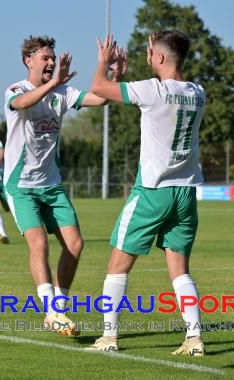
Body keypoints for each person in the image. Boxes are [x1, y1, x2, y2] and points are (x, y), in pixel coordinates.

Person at [86, 32, 207, 356]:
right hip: (185, 192)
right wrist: (123, 76)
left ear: (163, 58)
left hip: (153, 192)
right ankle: (194, 339)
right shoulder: (198, 92)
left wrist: (104, 63)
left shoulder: (153, 90)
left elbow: (98, 88)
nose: (148, 57)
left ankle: (109, 338)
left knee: (117, 264)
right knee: (179, 270)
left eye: (151, 53)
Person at [3, 35, 126, 336]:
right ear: (28, 61)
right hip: (21, 186)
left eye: (52, 58)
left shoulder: (62, 92)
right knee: (39, 244)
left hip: (52, 185)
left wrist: (115, 77)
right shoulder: (16, 89)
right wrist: (51, 84)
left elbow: (98, 99)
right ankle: (52, 311)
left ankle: (57, 309)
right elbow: (22, 103)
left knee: (75, 244)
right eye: (44, 58)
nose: (50, 62)